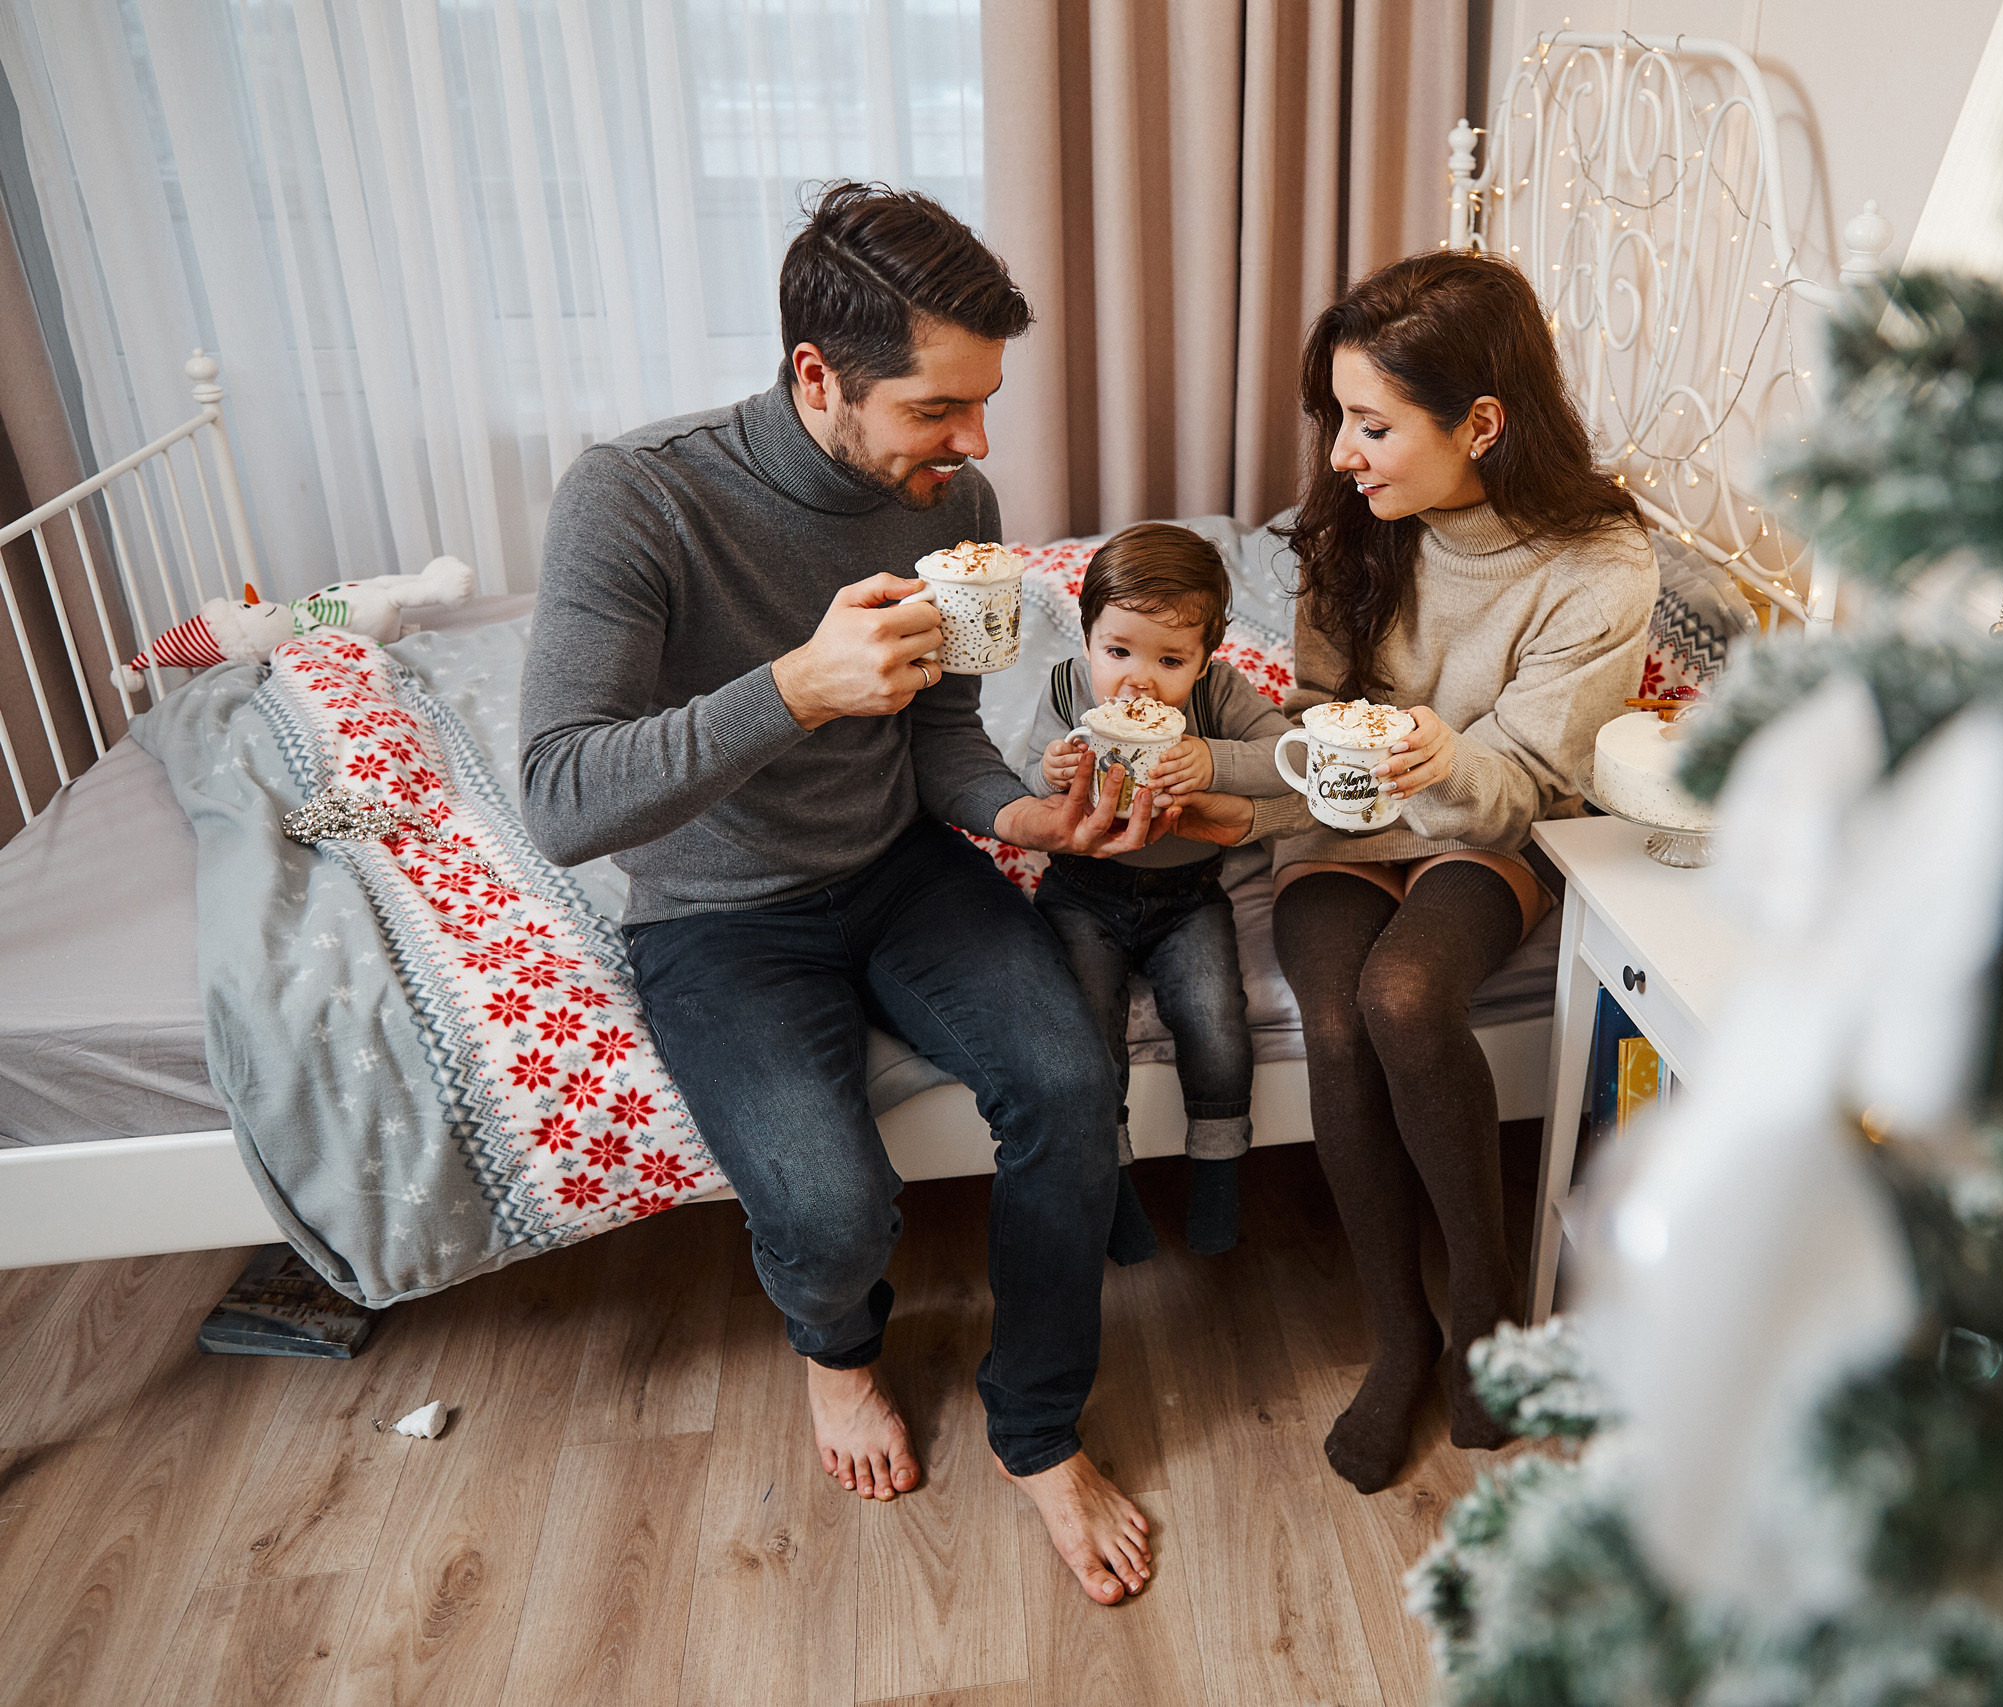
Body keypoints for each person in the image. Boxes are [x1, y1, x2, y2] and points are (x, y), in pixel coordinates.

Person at [519, 180, 1179, 1606]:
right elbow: (561, 796)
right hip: (716, 909)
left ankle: (1039, 1423)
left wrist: (1023, 809)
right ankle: (836, 1355)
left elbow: (938, 734)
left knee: (1072, 1084)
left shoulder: (956, 504)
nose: (978, 444)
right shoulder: (638, 496)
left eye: (986, 403)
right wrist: (791, 690)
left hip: (901, 868)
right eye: (939, 408)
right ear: (817, 375)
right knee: (831, 1208)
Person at [1270, 250, 1658, 1494]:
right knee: (1336, 1019)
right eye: (1338, 418)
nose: (1340, 453)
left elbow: (1529, 778)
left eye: (1372, 425)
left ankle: (1486, 1307)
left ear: (1481, 423)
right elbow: (1323, 701)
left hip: (1489, 821)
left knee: (1405, 996)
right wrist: (1325, 757)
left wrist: (1436, 757)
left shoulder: (1598, 564)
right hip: (1342, 817)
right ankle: (1403, 1340)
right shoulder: (1353, 517)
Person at [1018, 523, 1301, 1261]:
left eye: (1171, 659)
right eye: (1118, 652)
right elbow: (1015, 781)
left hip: (1187, 895)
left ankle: (1217, 1170)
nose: (1138, 681)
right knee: (1087, 1032)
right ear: (1086, 640)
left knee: (1215, 1019)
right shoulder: (1063, 690)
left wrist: (1210, 760)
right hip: (1083, 893)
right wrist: (1046, 771)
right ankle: (1109, 1185)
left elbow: (1284, 757)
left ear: (1207, 658)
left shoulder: (1219, 696)